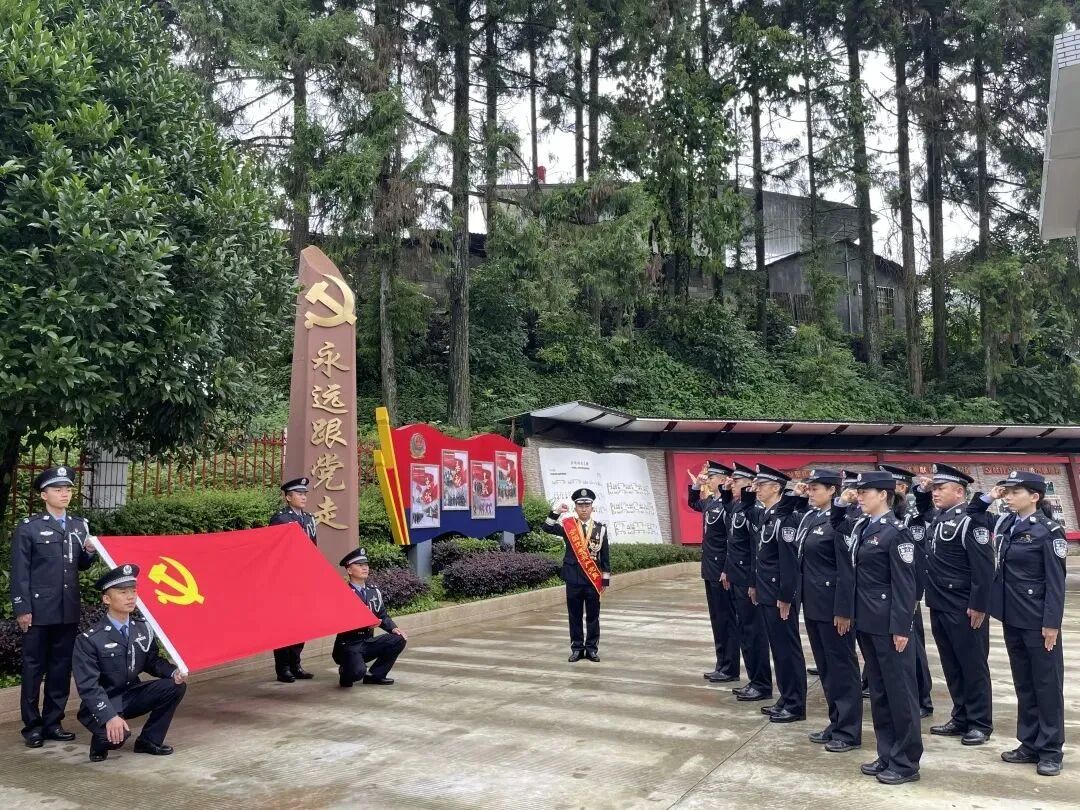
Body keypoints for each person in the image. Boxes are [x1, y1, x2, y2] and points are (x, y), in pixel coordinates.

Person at [10, 466, 97, 748]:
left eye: (68, 489)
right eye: (58, 490)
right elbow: (20, 572)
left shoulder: (79, 525)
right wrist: (22, 608)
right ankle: (32, 726)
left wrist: (89, 552)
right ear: (44, 495)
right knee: (33, 668)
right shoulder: (29, 527)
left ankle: (53, 722)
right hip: (38, 610)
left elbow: (80, 565)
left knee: (60, 668)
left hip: (67, 609)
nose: (64, 494)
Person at [987, 471, 1067, 777]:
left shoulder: (1049, 531)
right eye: (1007, 492)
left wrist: (1051, 623)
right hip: (1013, 616)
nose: (1008, 497)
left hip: (1038, 620)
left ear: (1034, 496)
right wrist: (990, 496)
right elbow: (975, 513)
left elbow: (1055, 582)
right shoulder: (1007, 524)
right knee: (1024, 683)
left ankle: (1051, 750)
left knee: (1046, 685)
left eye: (1015, 492)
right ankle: (1030, 743)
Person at [913, 463, 995, 746]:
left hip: (963, 606)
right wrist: (921, 490)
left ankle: (980, 723)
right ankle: (961, 717)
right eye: (934, 488)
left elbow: (984, 567)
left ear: (959, 492)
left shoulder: (971, 520)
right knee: (952, 665)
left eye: (940, 488)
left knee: (972, 666)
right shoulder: (939, 517)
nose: (935, 493)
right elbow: (923, 509)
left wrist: (979, 605)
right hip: (939, 602)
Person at [72, 564, 187, 762]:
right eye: (123, 592)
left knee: (175, 686)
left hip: (130, 695)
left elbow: (151, 661)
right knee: (117, 738)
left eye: (133, 591)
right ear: (107, 599)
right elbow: (88, 686)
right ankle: (100, 741)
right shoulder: (90, 639)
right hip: (104, 700)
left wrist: (172, 672)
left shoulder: (142, 628)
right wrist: (109, 716)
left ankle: (148, 741)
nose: (130, 597)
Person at [851, 471, 922, 785]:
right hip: (868, 621)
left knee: (901, 694)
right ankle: (887, 753)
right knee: (880, 694)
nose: (859, 497)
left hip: (890, 625)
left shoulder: (897, 532)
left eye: (864, 492)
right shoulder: (866, 527)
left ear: (883, 494)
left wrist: (902, 627)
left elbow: (905, 585)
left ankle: (906, 762)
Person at [793, 470, 861, 752]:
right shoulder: (811, 517)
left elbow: (847, 569)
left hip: (834, 607)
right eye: (808, 488)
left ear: (833, 490)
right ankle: (836, 723)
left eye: (816, 488)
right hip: (814, 604)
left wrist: (844, 609)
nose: (810, 492)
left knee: (842, 669)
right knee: (826, 669)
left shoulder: (841, 520)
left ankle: (849, 731)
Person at [750, 464, 806, 723]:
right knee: (778, 649)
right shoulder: (767, 515)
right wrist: (755, 584)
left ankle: (795, 704)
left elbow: (789, 562)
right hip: (766, 590)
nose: (756, 489)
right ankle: (785, 697)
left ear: (776, 488)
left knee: (787, 649)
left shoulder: (786, 519)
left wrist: (786, 596)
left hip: (779, 594)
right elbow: (761, 556)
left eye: (761, 485)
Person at [880, 464, 934, 718]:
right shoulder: (886, 517)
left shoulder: (912, 518)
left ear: (901, 487)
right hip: (885, 593)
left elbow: (916, 558)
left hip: (906, 593)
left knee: (913, 648)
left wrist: (914, 594)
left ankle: (922, 698)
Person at [723, 462, 773, 702]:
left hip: (747, 580)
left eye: (736, 481)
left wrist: (753, 582)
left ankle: (762, 684)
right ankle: (754, 680)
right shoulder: (738, 507)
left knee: (754, 633)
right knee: (744, 631)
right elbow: (733, 544)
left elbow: (756, 549)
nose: (731, 484)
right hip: (737, 577)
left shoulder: (755, 510)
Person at [543, 488, 611, 662]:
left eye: (587, 505)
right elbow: (547, 527)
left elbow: (605, 557)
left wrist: (604, 581)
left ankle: (592, 649)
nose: (584, 509)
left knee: (593, 616)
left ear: (592, 508)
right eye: (580, 506)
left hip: (592, 580)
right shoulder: (568, 527)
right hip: (573, 578)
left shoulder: (600, 529)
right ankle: (577, 649)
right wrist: (556, 512)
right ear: (575, 508)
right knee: (574, 616)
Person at [689, 460, 740, 683]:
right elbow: (693, 503)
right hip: (710, 568)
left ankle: (730, 668)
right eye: (708, 477)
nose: (708, 481)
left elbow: (732, 541)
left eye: (711, 478)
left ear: (722, 479)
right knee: (717, 619)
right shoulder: (711, 502)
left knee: (726, 620)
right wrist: (695, 485)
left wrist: (727, 568)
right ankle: (721, 664)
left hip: (721, 570)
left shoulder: (728, 505)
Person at [334, 548, 408, 686]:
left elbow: (382, 615)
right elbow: (338, 621)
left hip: (367, 642)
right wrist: (364, 623)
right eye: (360, 565)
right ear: (349, 570)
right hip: (349, 645)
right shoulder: (343, 593)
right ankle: (345, 670)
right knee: (357, 673)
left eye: (366, 565)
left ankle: (375, 675)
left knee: (399, 639)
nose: (365, 568)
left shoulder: (374, 591)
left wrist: (394, 628)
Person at [269, 476, 318, 683]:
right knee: (284, 623)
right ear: (288, 497)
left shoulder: (309, 518)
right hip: (285, 579)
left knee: (301, 622)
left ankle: (296, 664)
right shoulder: (280, 519)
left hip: (303, 578)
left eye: (305, 493)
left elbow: (313, 548)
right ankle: (283, 668)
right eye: (299, 494)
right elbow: (274, 551)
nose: (303, 497)